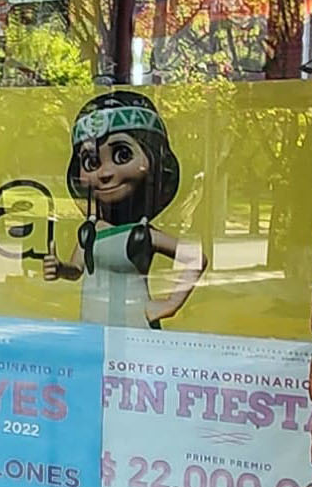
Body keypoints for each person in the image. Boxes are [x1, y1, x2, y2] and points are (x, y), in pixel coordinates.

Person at [43, 88, 203, 327]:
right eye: (91, 162)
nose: (105, 173)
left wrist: (170, 304)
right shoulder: (91, 230)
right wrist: (60, 269)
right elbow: (77, 269)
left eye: (122, 155)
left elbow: (195, 258)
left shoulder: (143, 234)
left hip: (135, 326)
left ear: (152, 161)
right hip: (93, 323)